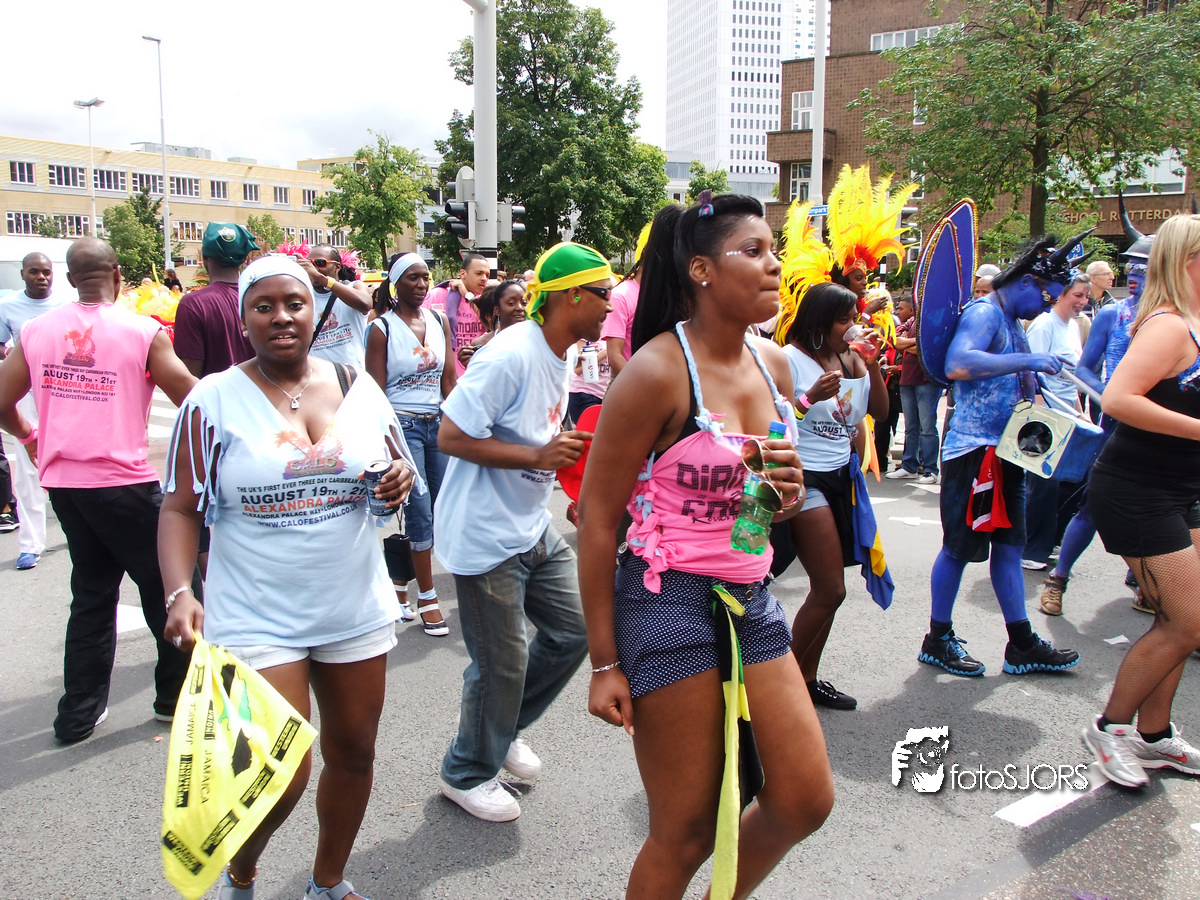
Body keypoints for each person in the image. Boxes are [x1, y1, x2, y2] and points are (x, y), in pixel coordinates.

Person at [578, 194, 831, 899]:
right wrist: (604, 663)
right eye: (753, 251)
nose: (774, 264)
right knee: (685, 831)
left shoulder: (775, 365)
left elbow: (761, 508)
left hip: (751, 596)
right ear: (701, 270)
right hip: (668, 604)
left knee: (804, 797)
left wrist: (781, 499)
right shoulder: (657, 372)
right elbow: (595, 521)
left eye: (774, 249)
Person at [160, 254, 418, 900]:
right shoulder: (212, 400)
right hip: (255, 613)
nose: (281, 317)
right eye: (264, 306)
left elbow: (397, 469)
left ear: (314, 312)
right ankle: (242, 869)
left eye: (294, 304)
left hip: (352, 606)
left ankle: (327, 880)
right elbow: (179, 507)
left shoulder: (358, 387)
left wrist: (398, 480)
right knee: (278, 773)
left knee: (355, 752)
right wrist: (180, 592)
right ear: (242, 318)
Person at [434, 242, 609, 822]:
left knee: (575, 630)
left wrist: (564, 473)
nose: (611, 307)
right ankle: (466, 772)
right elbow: (451, 436)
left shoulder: (563, 351)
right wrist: (538, 455)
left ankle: (500, 728)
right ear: (571, 296)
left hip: (530, 525)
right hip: (484, 534)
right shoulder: (510, 354)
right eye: (603, 294)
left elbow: (542, 433)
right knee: (501, 664)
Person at [0, 238, 197, 741]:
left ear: (70, 280)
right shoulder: (142, 331)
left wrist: (30, 437)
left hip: (66, 486)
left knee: (92, 593)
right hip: (123, 483)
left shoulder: (35, 331)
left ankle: (78, 713)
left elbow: (2, 401)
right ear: (118, 275)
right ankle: (175, 698)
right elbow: (192, 399)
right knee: (171, 587)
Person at [918, 234, 1083, 677]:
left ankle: (1022, 643)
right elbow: (958, 364)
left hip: (1007, 451)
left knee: (1010, 546)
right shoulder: (985, 312)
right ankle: (937, 638)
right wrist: (1026, 362)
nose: (1046, 307)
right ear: (1027, 282)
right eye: (1047, 296)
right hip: (974, 452)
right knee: (958, 549)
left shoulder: (1011, 320)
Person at [1081, 213, 1200, 789]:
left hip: (1183, 489)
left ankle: (1154, 737)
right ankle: (1110, 729)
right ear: (1189, 262)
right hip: (1138, 490)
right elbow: (1119, 399)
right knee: (1188, 623)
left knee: (1182, 621)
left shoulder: (1191, 323)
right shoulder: (1169, 326)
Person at [774, 282, 889, 710]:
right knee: (831, 590)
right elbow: (772, 423)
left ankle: (807, 678)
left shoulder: (850, 357)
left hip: (843, 477)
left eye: (854, 318)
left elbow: (879, 413)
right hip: (806, 478)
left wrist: (873, 368)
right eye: (844, 320)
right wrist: (807, 399)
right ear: (819, 321)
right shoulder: (788, 359)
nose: (852, 327)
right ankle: (780, 685)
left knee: (829, 591)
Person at [1038, 212, 1153, 617]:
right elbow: (1086, 368)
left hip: (1162, 433)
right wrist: (1111, 396)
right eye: (1130, 266)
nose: (1134, 275)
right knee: (1092, 505)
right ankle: (1058, 579)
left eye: (1144, 268)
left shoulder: (1177, 319)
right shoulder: (1113, 315)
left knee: (1156, 508)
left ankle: (1146, 583)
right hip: (1118, 426)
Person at [366, 253, 456, 636]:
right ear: (395, 283)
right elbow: (374, 393)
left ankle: (400, 582)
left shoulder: (439, 321)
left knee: (442, 506)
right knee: (420, 507)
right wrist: (388, 445)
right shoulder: (381, 329)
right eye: (412, 278)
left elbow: (448, 380)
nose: (421, 284)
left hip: (438, 424)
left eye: (425, 277)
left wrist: (463, 424)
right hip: (402, 427)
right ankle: (428, 598)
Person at [1021, 272, 1092, 571]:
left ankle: (1053, 539)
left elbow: (1071, 379)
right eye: (1077, 295)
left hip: (1067, 416)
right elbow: (1029, 372)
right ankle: (1032, 549)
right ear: (1061, 294)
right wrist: (1040, 421)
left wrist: (1082, 414)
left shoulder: (1073, 326)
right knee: (1043, 486)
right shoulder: (1044, 325)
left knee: (1076, 480)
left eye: (1086, 296)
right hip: (1045, 418)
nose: (1083, 301)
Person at [0, 252, 66, 569]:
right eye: (35, 272)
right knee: (29, 470)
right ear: (23, 274)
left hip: (62, 392)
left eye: (47, 272)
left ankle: (78, 528)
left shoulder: (65, 306)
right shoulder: (7, 307)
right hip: (25, 394)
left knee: (68, 462)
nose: (42, 277)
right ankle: (31, 544)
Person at [173, 223, 258, 378]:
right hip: (263, 393)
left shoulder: (193, 304)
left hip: (215, 394)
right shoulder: (261, 298)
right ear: (244, 258)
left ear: (204, 257)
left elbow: (189, 378)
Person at [889, 294, 943, 483]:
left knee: (927, 428)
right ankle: (909, 466)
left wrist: (909, 344)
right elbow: (895, 341)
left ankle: (930, 469)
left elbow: (930, 347)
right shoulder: (911, 321)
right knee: (911, 427)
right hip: (907, 378)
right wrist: (918, 342)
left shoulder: (936, 320)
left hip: (927, 379)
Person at [302, 244, 372, 369]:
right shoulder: (304, 296)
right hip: (318, 376)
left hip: (353, 375)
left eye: (320, 263)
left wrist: (322, 279)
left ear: (337, 267)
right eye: (309, 263)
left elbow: (365, 304)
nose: (314, 268)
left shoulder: (354, 287)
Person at [426, 252, 491, 375]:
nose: (484, 278)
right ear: (463, 274)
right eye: (479, 273)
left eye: (487, 275)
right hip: (443, 373)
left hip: (475, 373)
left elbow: (490, 322)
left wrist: (466, 294)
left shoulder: (484, 301)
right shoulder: (437, 295)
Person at [601, 224, 650, 380]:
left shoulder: (663, 295)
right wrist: (640, 387)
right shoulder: (621, 295)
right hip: (628, 385)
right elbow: (614, 356)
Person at [456, 279, 526, 368]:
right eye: (511, 303)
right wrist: (472, 365)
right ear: (496, 310)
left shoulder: (536, 340)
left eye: (524, 303)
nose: (520, 308)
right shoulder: (484, 345)